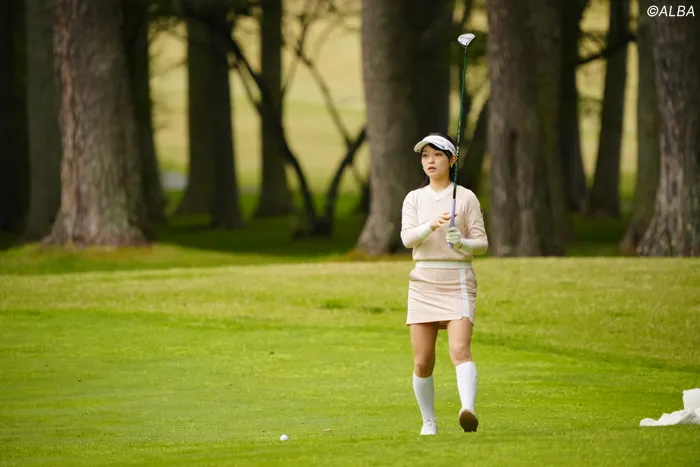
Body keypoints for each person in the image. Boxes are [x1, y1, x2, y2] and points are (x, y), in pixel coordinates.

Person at [400, 132, 489, 435]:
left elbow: (482, 244)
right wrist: (431, 225)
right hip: (423, 282)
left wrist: (461, 241)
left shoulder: (466, 197)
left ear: (452, 160)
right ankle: (429, 421)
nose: (430, 161)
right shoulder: (414, 198)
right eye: (425, 156)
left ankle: (468, 409)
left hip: (458, 280)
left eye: (437, 155)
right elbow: (407, 238)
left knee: (460, 349)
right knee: (423, 361)